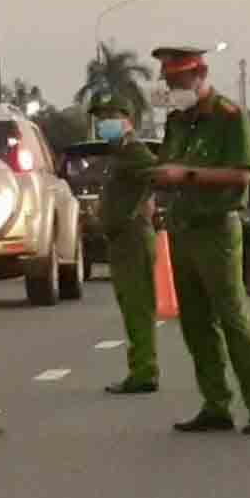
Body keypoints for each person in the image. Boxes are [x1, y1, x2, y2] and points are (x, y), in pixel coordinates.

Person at [149, 46, 250, 435]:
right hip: (182, 228)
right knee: (195, 322)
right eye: (168, 81)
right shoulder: (176, 121)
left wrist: (185, 176)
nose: (172, 88)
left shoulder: (229, 118)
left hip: (217, 228)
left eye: (178, 81)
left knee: (233, 318)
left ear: (200, 73)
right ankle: (215, 403)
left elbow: (240, 176)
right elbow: (165, 165)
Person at [90, 94, 162, 395]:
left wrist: (140, 206)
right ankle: (140, 368)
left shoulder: (134, 151)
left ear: (126, 120)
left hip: (132, 238)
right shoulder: (119, 155)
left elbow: (156, 174)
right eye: (100, 120)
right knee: (130, 306)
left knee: (137, 308)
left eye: (109, 119)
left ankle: (144, 371)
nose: (103, 125)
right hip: (121, 240)